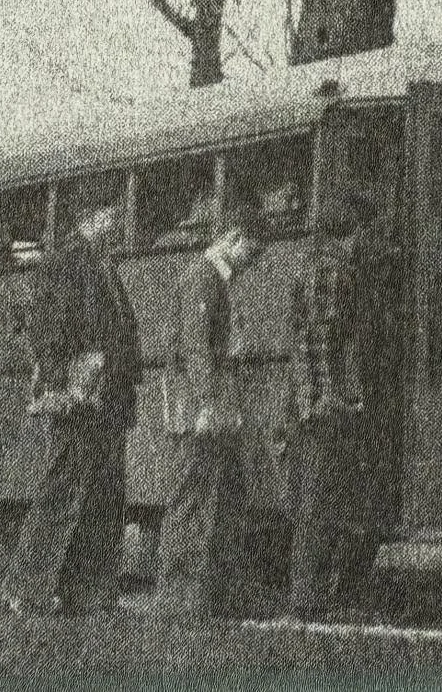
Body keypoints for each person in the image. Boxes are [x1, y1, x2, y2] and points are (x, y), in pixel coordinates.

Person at [0, 194, 142, 616]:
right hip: (81, 399)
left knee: (103, 497)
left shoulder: (102, 263)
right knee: (65, 491)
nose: (117, 221)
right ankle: (25, 588)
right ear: (88, 215)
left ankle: (91, 595)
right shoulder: (64, 263)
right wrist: (63, 386)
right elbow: (49, 333)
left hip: (109, 398)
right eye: (110, 213)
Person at [153, 207, 285, 617]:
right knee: (193, 498)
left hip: (213, 408)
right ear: (232, 238)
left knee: (224, 497)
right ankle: (179, 597)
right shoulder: (201, 279)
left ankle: (218, 594)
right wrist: (208, 401)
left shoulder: (211, 280)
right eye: (252, 252)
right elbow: (194, 347)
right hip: (200, 410)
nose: (252, 263)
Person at [286, 196, 394, 616]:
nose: (365, 240)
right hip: (325, 407)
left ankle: (311, 598)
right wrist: (343, 400)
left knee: (320, 502)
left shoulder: (313, 267)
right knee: (319, 503)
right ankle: (309, 601)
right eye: (362, 232)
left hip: (315, 405)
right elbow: (324, 344)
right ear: (350, 232)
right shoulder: (331, 273)